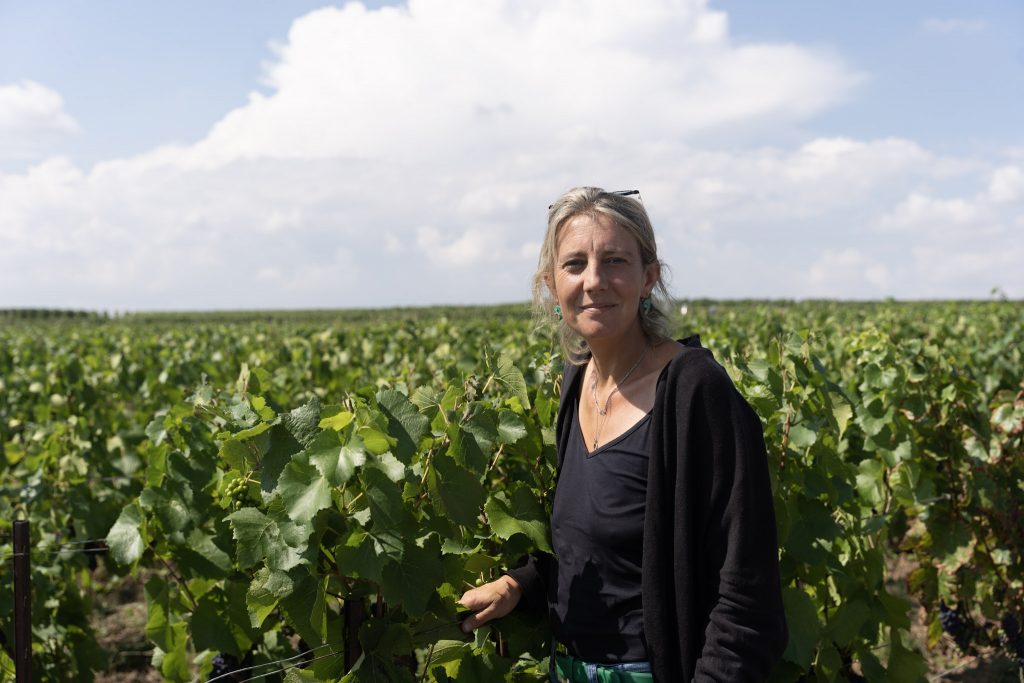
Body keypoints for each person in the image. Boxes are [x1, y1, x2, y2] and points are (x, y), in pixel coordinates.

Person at [458, 187, 787, 682]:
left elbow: (746, 596)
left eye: (614, 260)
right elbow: (591, 542)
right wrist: (519, 584)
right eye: (574, 264)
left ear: (648, 278)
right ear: (551, 285)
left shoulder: (696, 392)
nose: (594, 281)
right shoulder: (578, 380)